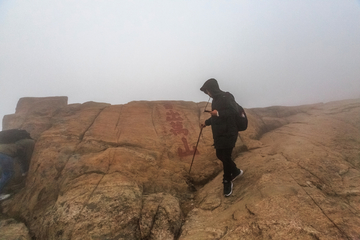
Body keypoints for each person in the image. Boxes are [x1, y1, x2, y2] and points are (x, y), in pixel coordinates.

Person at [200, 78, 243, 197]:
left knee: (225, 156)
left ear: (213, 88)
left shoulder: (227, 96)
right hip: (219, 133)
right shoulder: (215, 100)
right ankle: (235, 171)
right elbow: (215, 117)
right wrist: (207, 122)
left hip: (229, 132)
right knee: (220, 155)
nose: (207, 93)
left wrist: (218, 113)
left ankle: (227, 181)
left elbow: (233, 111)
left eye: (208, 90)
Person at [0, 133, 35, 201]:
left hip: (2, 153)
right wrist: (24, 171)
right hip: (5, 155)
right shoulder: (30, 143)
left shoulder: (17, 142)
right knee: (8, 174)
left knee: (5, 174)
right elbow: (22, 158)